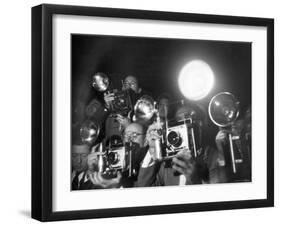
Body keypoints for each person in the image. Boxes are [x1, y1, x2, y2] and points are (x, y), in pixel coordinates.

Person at [87, 122, 147, 188]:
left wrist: (117, 186)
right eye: (126, 136)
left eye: (134, 135)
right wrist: (93, 169)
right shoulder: (114, 159)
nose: (129, 139)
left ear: (145, 141)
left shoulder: (150, 165)